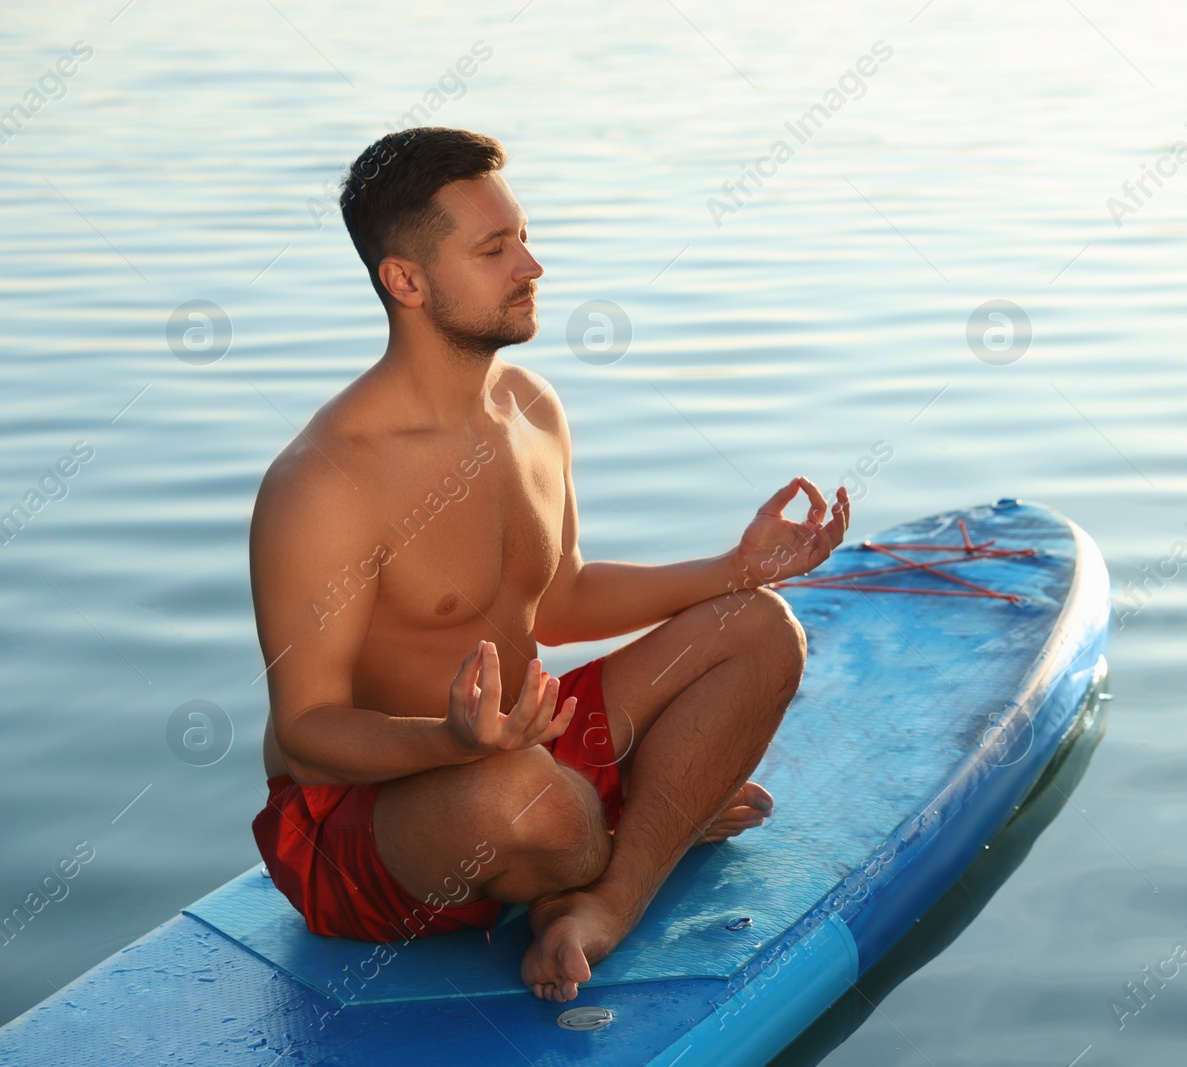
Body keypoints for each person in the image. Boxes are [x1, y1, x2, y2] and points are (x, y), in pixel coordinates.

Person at [248, 126, 850, 1003]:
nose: (531, 265)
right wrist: (451, 743)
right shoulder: (324, 482)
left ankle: (601, 897)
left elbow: (560, 599)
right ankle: (651, 828)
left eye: (523, 236)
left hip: (533, 749)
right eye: (495, 249)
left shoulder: (531, 407)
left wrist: (736, 566)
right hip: (377, 819)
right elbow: (306, 730)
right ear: (406, 281)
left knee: (761, 629)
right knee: (522, 798)